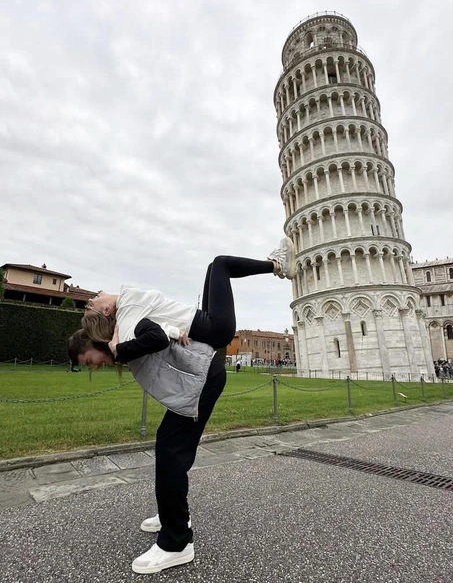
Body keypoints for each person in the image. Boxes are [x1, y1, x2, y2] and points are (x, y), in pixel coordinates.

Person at [68, 237, 296, 574]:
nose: (93, 367)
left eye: (88, 361)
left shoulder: (129, 325)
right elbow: (163, 330)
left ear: (97, 339)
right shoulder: (132, 323)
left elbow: (154, 335)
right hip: (202, 372)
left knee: (171, 452)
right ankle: (172, 513)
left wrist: (121, 349)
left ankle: (176, 542)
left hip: (206, 368)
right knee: (170, 446)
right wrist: (171, 331)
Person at [80, 237, 296, 351]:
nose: (91, 299)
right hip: (214, 328)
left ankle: (277, 265)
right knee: (222, 264)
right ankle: (277, 265)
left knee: (213, 267)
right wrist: (117, 348)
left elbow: (152, 328)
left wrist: (170, 330)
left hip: (205, 321)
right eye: (91, 305)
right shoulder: (126, 313)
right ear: (107, 310)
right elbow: (130, 339)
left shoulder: (128, 305)